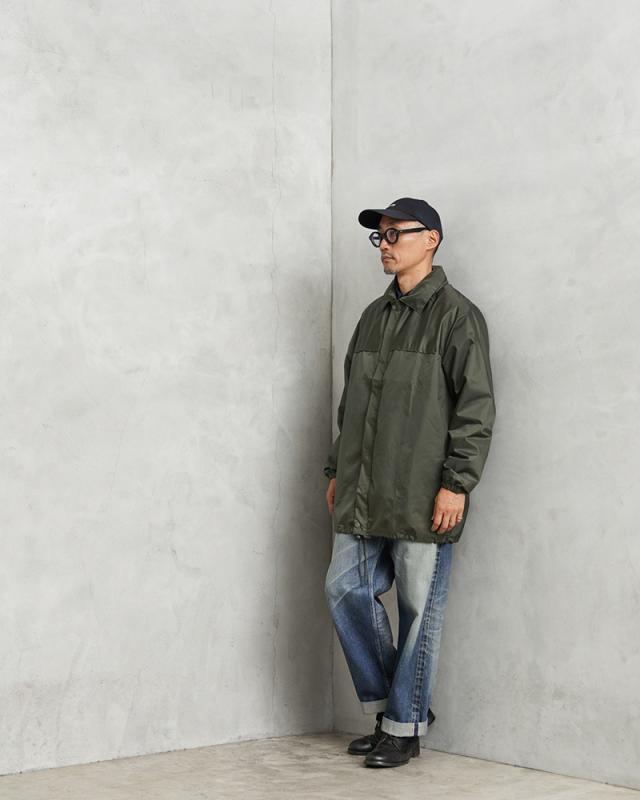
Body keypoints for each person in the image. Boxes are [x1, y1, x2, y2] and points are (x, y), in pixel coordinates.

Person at [323, 197, 496, 768]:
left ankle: (403, 726)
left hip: (425, 493)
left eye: (397, 233)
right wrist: (336, 469)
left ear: (432, 239)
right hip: (363, 488)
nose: (386, 244)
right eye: (381, 235)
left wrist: (457, 483)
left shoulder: (457, 317)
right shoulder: (372, 316)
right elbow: (351, 406)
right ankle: (398, 709)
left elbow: (475, 409)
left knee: (420, 609)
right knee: (344, 589)